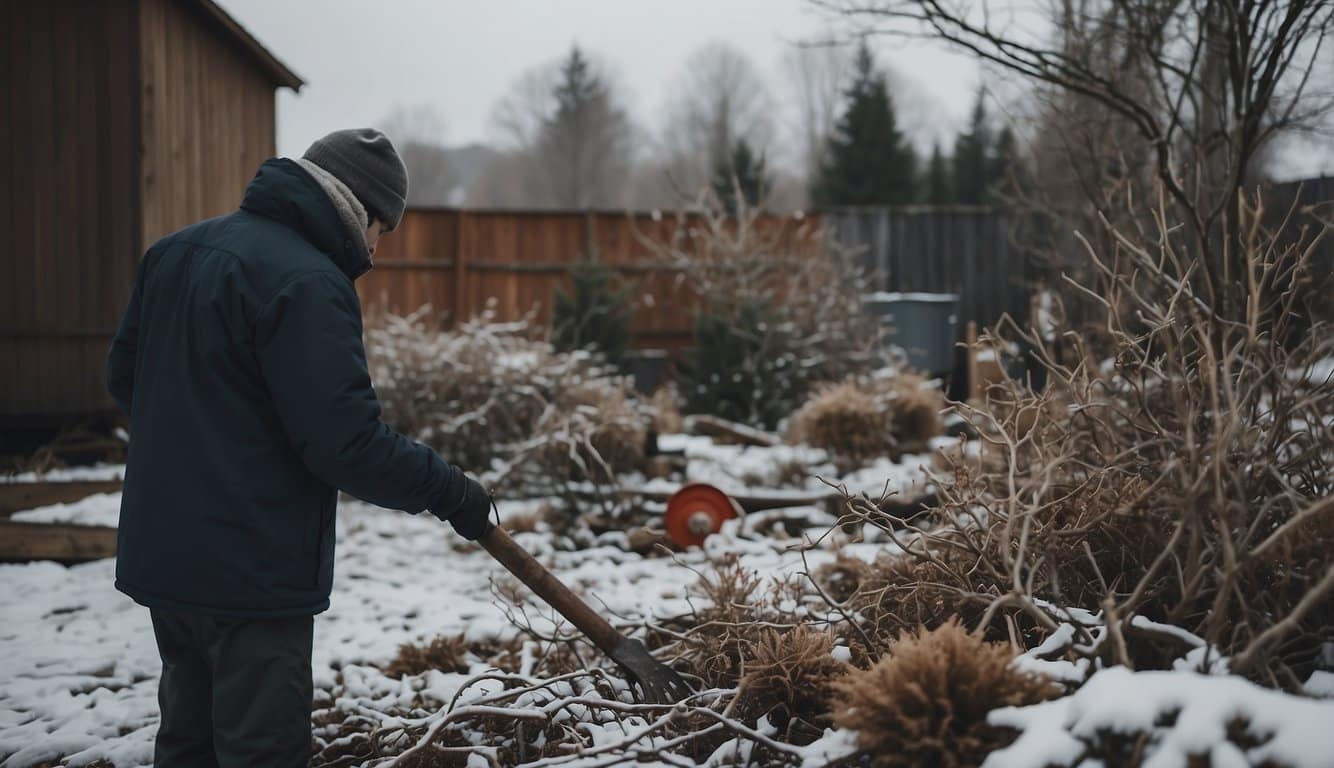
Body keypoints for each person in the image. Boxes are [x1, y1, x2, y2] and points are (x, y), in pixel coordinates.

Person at [106, 128, 492, 767]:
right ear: (358, 208)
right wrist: (448, 487)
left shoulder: (174, 253)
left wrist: (200, 446)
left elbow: (127, 381)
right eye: (382, 230)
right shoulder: (308, 281)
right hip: (252, 571)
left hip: (165, 557)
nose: (376, 248)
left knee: (187, 744)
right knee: (262, 752)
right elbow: (346, 444)